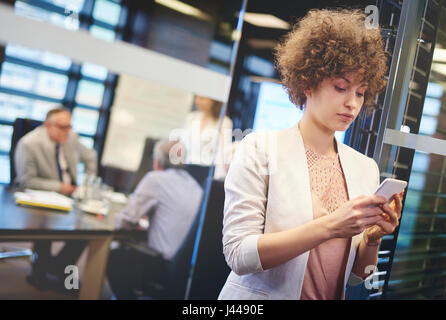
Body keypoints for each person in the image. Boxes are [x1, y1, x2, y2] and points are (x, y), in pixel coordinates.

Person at [218, 8, 405, 300]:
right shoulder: (260, 149)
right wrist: (332, 225)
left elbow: (357, 278)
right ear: (307, 82)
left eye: (360, 93)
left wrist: (371, 239)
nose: (351, 104)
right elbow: (239, 254)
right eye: (341, 87)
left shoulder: (364, 168)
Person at [107, 140, 204, 299]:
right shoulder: (197, 187)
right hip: (184, 271)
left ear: (157, 161)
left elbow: (125, 221)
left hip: (159, 266)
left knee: (114, 257)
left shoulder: (156, 179)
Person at [14, 107, 97, 291]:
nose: (67, 131)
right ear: (47, 125)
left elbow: (91, 156)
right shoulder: (29, 144)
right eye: (62, 127)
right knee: (45, 226)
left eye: (69, 126)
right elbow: (26, 180)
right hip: (42, 199)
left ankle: (59, 267)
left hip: (71, 198)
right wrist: (60, 187)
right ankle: (39, 274)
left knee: (88, 229)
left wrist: (88, 183)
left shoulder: (71, 137)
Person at [181, 95, 233, 180]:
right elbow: (183, 145)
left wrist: (219, 178)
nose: (197, 101)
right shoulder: (191, 117)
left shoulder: (224, 122)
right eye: (196, 98)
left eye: (202, 98)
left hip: (208, 172)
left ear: (214, 101)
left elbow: (224, 153)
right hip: (187, 168)